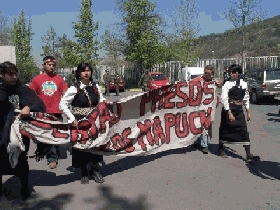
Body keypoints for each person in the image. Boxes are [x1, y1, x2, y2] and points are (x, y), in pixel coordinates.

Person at [0, 61, 45, 200]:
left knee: (22, 158)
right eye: (10, 74)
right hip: (2, 131)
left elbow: (39, 103)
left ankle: (25, 188)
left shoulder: (21, 88)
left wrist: (29, 108)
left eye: (15, 73)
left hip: (20, 130)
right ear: (2, 75)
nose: (14, 77)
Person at [59, 62, 108, 184]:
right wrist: (71, 118)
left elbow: (101, 100)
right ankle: (84, 172)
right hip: (80, 121)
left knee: (96, 145)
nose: (86, 73)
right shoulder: (74, 88)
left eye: (88, 70)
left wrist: (105, 103)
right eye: (83, 71)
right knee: (82, 147)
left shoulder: (95, 87)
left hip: (94, 120)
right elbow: (62, 104)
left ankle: (95, 170)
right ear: (79, 73)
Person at [29, 56, 68, 169]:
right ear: (44, 65)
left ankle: (52, 155)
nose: (51, 67)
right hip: (43, 113)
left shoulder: (59, 79)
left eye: (53, 65)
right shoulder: (37, 79)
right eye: (49, 64)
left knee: (55, 135)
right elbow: (31, 93)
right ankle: (47, 154)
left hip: (56, 112)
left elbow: (65, 92)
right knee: (43, 135)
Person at [217, 64, 260, 163]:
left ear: (238, 73)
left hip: (239, 110)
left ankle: (249, 155)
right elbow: (224, 99)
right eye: (231, 72)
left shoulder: (244, 84)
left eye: (233, 72)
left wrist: (248, 111)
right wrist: (229, 112)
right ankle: (220, 149)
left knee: (243, 130)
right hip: (229, 109)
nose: (232, 74)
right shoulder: (227, 84)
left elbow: (246, 99)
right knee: (224, 129)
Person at [192, 65, 222, 154]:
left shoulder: (214, 83)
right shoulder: (198, 81)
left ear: (212, 74)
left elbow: (219, 89)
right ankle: (198, 142)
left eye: (209, 73)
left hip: (210, 108)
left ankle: (204, 145)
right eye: (205, 73)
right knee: (198, 124)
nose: (207, 75)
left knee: (206, 125)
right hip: (199, 107)